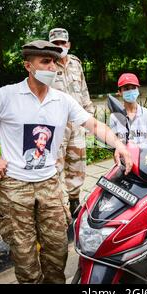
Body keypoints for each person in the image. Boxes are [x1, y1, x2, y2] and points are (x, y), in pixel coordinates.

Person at [0, 40, 132, 284]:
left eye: (54, 61)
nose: (52, 67)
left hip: (50, 184)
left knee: (58, 251)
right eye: (45, 61)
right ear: (28, 66)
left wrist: (120, 145)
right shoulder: (7, 95)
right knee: (24, 257)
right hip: (15, 187)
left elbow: (94, 124)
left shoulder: (62, 100)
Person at [49, 28, 95, 215]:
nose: (60, 46)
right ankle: (56, 206)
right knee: (55, 165)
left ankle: (74, 201)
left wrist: (89, 113)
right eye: (56, 44)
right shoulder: (47, 65)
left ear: (68, 44)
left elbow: (83, 89)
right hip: (56, 124)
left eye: (62, 43)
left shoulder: (76, 63)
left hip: (77, 123)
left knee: (78, 163)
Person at [109, 73, 147, 147]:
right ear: (119, 92)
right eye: (126, 89)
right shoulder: (114, 117)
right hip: (125, 157)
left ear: (138, 90)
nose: (131, 91)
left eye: (133, 88)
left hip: (146, 156)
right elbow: (115, 143)